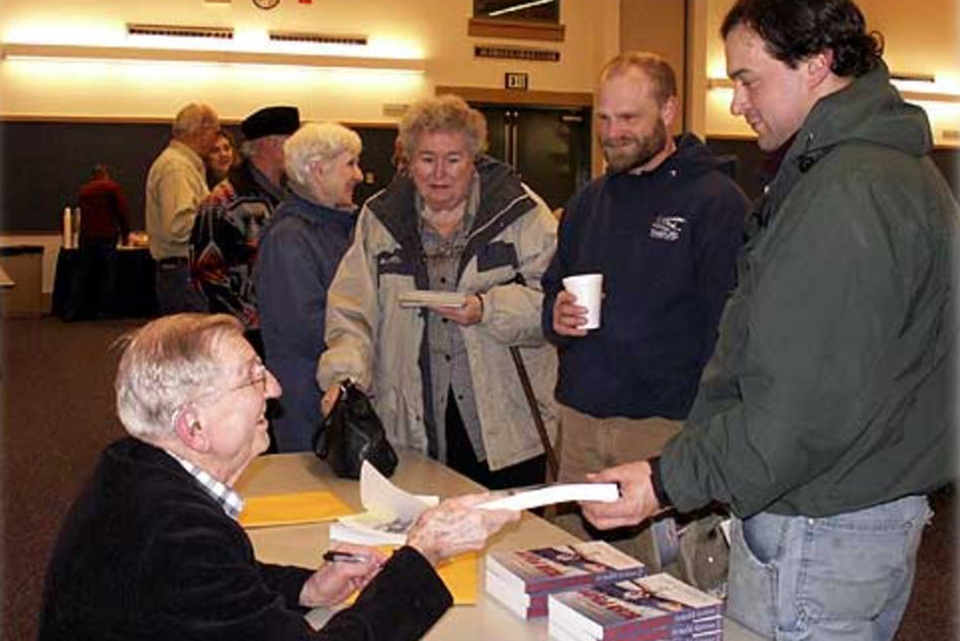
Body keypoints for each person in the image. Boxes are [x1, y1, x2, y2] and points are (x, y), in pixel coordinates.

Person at [580, 1, 957, 640]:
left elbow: (799, 408)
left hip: (821, 522)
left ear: (816, 64)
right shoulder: (877, 172)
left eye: (747, 79)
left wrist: (666, 479)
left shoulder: (850, 190)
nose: (735, 102)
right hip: (857, 509)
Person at [38, 313, 519, 640]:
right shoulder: (176, 534)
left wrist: (308, 589)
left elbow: (217, 587)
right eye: (252, 377)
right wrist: (423, 555)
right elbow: (198, 567)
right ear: (194, 427)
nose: (275, 388)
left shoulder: (133, 470)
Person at [541, 52, 749, 572]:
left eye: (629, 118)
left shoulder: (716, 201)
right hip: (582, 424)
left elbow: (733, 328)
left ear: (669, 109)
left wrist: (705, 433)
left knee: (662, 587)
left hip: (663, 431)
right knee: (572, 574)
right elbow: (552, 289)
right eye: (605, 119)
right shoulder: (589, 202)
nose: (613, 133)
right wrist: (557, 313)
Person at [318, 95, 559, 489]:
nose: (439, 173)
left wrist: (488, 308)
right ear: (409, 161)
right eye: (427, 159)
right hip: (411, 424)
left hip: (506, 427)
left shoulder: (520, 212)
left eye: (454, 159)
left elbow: (555, 303)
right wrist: (344, 377)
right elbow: (351, 310)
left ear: (474, 159)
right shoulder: (380, 219)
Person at [255, 122, 363, 452]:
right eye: (350, 164)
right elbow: (305, 327)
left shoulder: (338, 228)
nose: (359, 175)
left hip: (333, 386)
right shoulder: (289, 238)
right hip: (308, 398)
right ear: (318, 170)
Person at [191, 105, 300, 354]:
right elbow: (207, 272)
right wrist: (244, 322)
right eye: (291, 142)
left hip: (287, 329)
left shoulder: (291, 196)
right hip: (248, 336)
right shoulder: (223, 201)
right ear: (269, 144)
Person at [145, 102, 220, 314]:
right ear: (201, 131)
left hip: (181, 272)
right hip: (183, 273)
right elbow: (178, 227)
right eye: (215, 132)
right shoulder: (177, 168)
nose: (216, 140)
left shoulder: (180, 164)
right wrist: (218, 223)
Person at [68, 164, 131, 318]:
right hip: (107, 236)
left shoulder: (84, 190)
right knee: (107, 275)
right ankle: (104, 310)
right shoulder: (112, 188)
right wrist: (125, 234)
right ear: (106, 175)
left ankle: (73, 309)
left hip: (87, 236)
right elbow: (122, 211)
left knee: (82, 273)